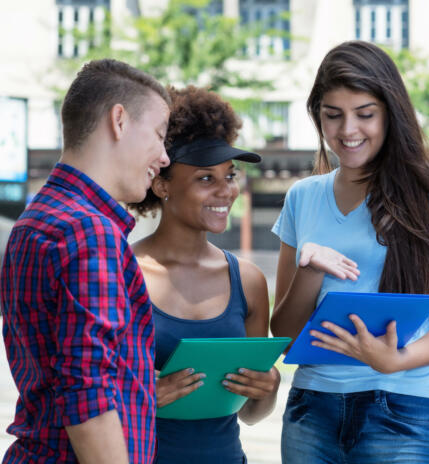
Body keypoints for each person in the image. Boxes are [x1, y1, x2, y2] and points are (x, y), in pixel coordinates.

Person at [270, 40, 429, 464]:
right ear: (317, 116)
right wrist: (310, 269)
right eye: (332, 115)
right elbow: (286, 336)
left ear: (390, 114)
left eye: (365, 114)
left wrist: (395, 359)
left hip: (405, 410)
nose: (348, 131)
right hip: (312, 410)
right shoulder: (302, 197)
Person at [1, 59, 170, 463]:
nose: (164, 157)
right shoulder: (89, 231)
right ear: (120, 121)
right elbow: (88, 394)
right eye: (160, 136)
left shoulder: (36, 218)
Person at [128, 85, 280, 464]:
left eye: (229, 176)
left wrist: (269, 388)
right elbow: (85, 400)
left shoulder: (248, 281)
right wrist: (143, 397)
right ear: (162, 184)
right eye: (205, 179)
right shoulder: (123, 274)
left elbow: (250, 414)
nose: (226, 191)